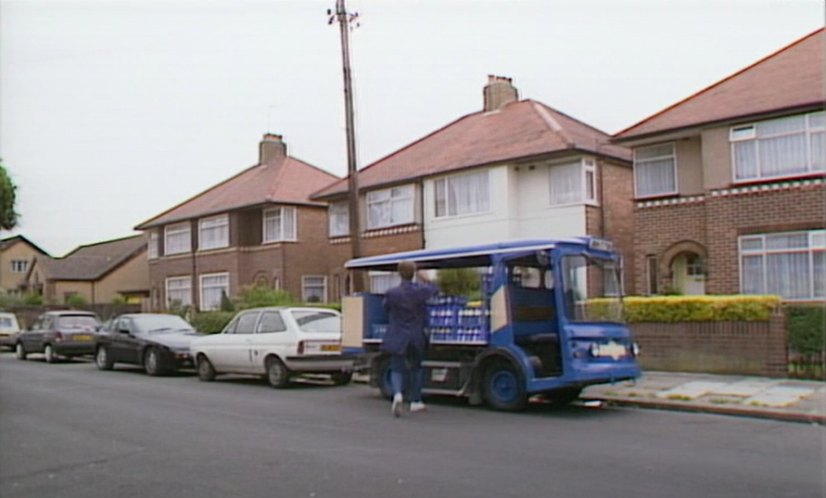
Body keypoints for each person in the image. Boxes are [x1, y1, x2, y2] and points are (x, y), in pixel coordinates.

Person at [381, 260, 438, 417]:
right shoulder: (421, 291)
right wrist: (426, 278)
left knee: (396, 367)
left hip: (397, 334)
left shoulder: (392, 293)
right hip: (416, 335)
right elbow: (435, 290)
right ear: (414, 274)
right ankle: (415, 401)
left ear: (399, 273)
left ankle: (398, 394)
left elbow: (385, 308)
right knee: (416, 368)